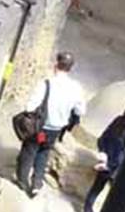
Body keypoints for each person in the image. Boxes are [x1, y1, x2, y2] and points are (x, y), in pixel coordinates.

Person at [16, 52, 85, 198]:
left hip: (40, 128)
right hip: (56, 130)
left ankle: (22, 181)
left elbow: (30, 106)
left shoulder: (47, 84)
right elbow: (80, 110)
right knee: (43, 153)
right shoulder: (76, 88)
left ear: (56, 65)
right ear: (70, 68)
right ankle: (36, 183)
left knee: (29, 151)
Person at [81, 100, 125, 212]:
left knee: (96, 189)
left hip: (105, 162)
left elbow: (102, 138)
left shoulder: (118, 121)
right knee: (116, 197)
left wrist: (103, 155)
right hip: (118, 168)